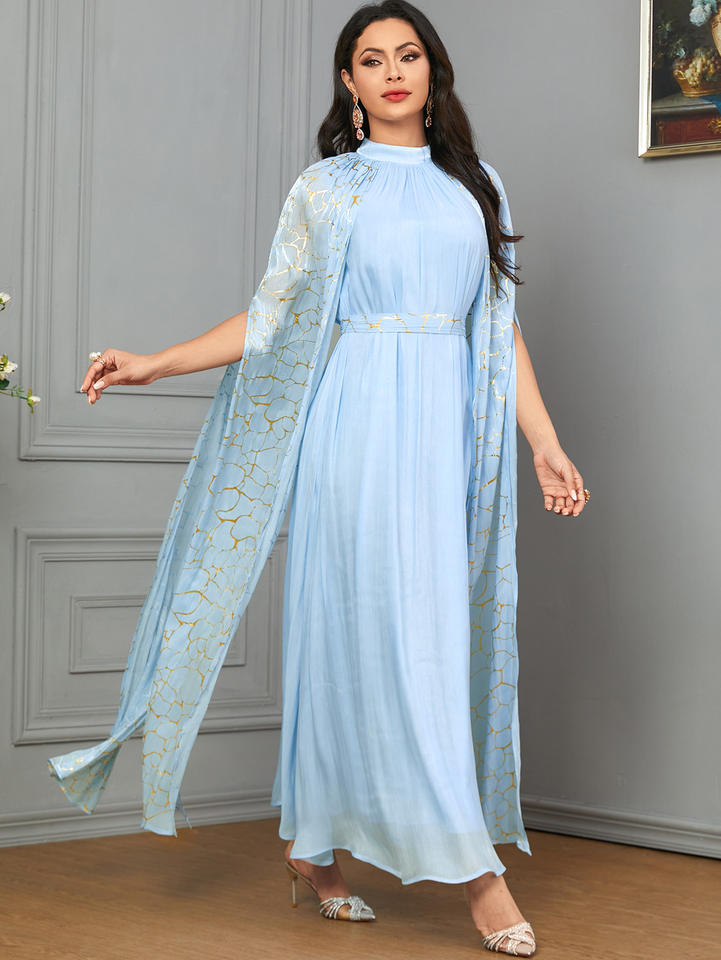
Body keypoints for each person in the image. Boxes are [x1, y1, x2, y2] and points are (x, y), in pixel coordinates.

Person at [70, 2, 589, 956]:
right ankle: (476, 877)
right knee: (364, 636)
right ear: (348, 82)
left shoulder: (477, 187)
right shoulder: (327, 188)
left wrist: (542, 438)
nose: (392, 72)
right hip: (354, 432)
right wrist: (154, 363)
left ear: (432, 71)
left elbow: (495, 324)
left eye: (408, 54)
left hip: (444, 437)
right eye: (370, 59)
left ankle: (310, 849)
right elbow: (270, 316)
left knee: (426, 639)